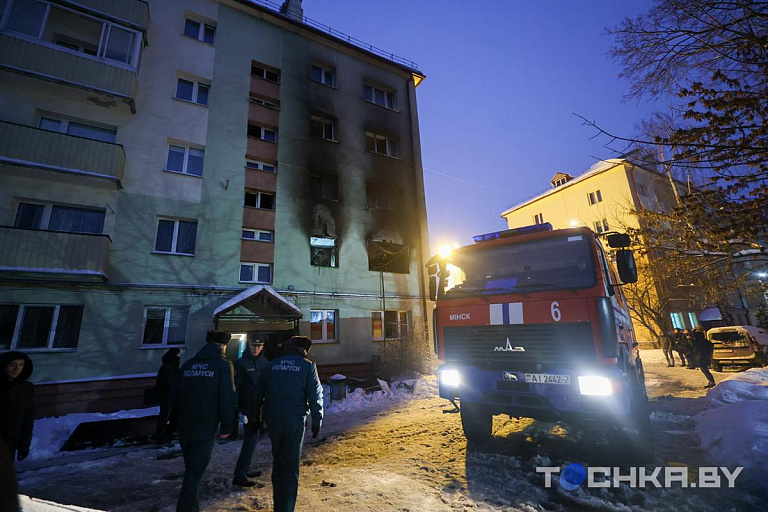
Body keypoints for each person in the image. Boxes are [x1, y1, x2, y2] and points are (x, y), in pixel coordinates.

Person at [255, 336, 323, 512]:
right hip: (294, 420)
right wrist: (317, 420)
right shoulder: (308, 366)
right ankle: (285, 508)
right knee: (290, 466)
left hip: (273, 419)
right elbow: (315, 396)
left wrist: (256, 416)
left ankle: (279, 502)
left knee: (278, 461)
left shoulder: (272, 364)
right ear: (304, 350)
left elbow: (258, 391)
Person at [175, 331, 236, 512]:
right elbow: (227, 397)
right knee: (193, 477)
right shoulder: (223, 365)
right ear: (224, 346)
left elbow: (175, 395)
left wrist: (172, 423)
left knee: (191, 472)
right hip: (205, 427)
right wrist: (227, 426)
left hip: (185, 426)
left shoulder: (188, 365)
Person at [232, 334, 268, 487]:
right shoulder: (241, 363)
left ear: (262, 347)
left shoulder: (264, 362)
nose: (256, 348)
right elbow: (237, 387)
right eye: (253, 345)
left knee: (253, 440)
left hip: (260, 407)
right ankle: (240, 474)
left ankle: (245, 469)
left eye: (259, 346)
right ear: (248, 345)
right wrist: (238, 409)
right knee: (250, 440)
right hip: (248, 408)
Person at [0, 351, 35, 464]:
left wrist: (24, 445)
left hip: (9, 444)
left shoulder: (26, 389)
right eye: (12, 365)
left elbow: (27, 419)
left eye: (21, 365)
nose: (17, 369)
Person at [155, 347, 181, 443]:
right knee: (166, 415)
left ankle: (166, 434)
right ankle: (162, 436)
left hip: (166, 394)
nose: (180, 355)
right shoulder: (171, 366)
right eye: (179, 353)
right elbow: (172, 383)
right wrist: (174, 397)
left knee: (168, 415)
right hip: (169, 396)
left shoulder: (167, 365)